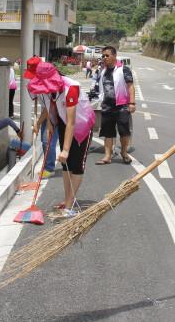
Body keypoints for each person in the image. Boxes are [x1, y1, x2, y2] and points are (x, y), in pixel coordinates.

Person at [28, 62, 95, 218]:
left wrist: (65, 150)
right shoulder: (45, 89)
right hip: (64, 123)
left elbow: (72, 122)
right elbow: (50, 106)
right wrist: (49, 124)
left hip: (81, 125)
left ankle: (69, 206)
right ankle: (67, 200)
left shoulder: (71, 88)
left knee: (76, 164)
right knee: (66, 165)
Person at [96, 46, 135, 165]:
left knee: (124, 131)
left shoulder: (123, 69)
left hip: (122, 106)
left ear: (114, 56)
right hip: (107, 106)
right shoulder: (103, 70)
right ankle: (107, 156)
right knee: (108, 132)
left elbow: (130, 86)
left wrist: (132, 103)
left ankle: (124, 152)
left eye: (107, 55)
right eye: (103, 56)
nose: (104, 58)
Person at [24, 57, 59, 179]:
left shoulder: (49, 82)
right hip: (49, 111)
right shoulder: (34, 83)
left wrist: (40, 123)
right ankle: (48, 166)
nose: (31, 77)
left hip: (58, 112)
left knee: (48, 140)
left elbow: (50, 106)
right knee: (46, 140)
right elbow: (44, 105)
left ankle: (49, 168)